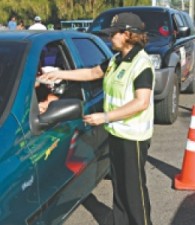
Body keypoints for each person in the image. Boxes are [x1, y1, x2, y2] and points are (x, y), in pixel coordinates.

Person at [40, 12, 154, 225]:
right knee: (119, 187)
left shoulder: (141, 64)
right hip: (116, 133)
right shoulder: (117, 59)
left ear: (128, 34)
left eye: (114, 34)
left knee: (134, 191)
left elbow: (142, 102)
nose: (110, 38)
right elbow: (92, 73)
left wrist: (105, 116)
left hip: (133, 138)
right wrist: (60, 74)